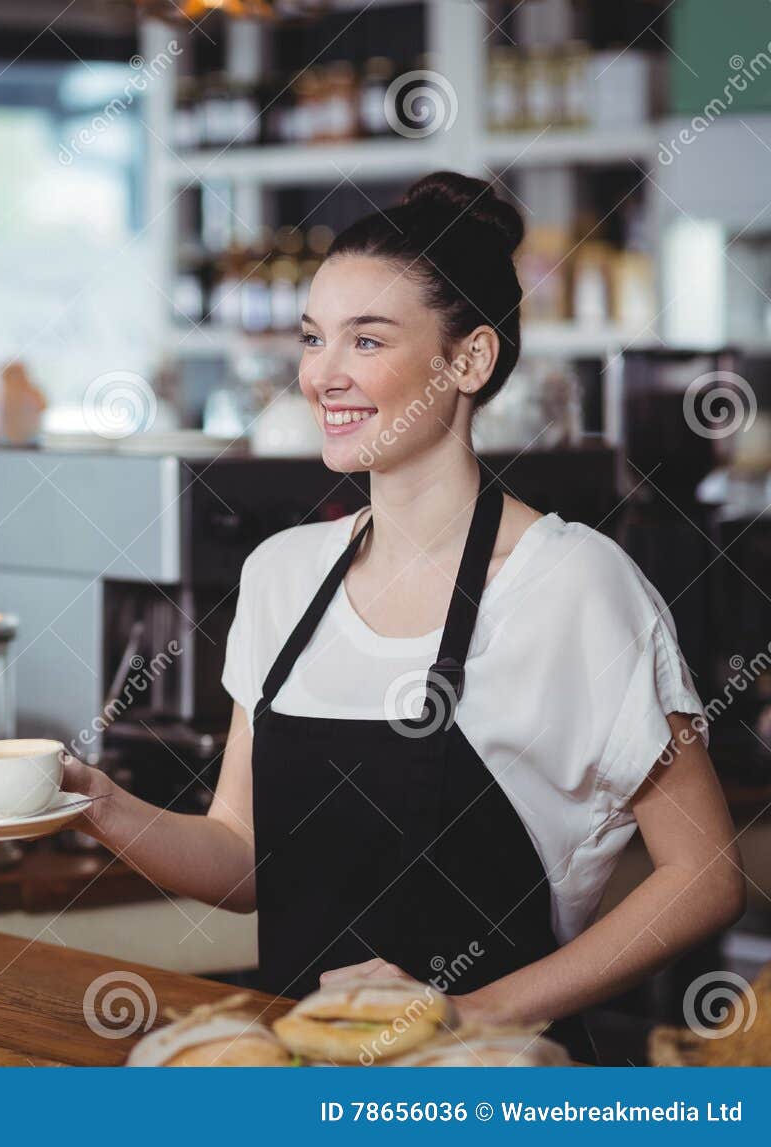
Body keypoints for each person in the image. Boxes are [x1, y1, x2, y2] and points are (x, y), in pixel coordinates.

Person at [62, 172, 745, 1062]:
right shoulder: (283, 575)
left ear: (469, 360)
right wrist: (100, 807)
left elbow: (704, 877)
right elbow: (241, 855)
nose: (321, 375)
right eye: (313, 338)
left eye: (367, 339)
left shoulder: (574, 584)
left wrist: (475, 1013)